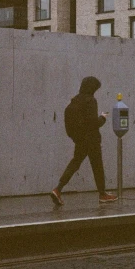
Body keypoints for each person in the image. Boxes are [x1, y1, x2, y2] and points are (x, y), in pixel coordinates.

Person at [51, 76, 118, 206]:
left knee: (75, 163)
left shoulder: (75, 100)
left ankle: (58, 189)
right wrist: (103, 118)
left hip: (80, 140)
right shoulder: (91, 101)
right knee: (97, 166)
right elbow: (93, 123)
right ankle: (103, 194)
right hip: (92, 140)